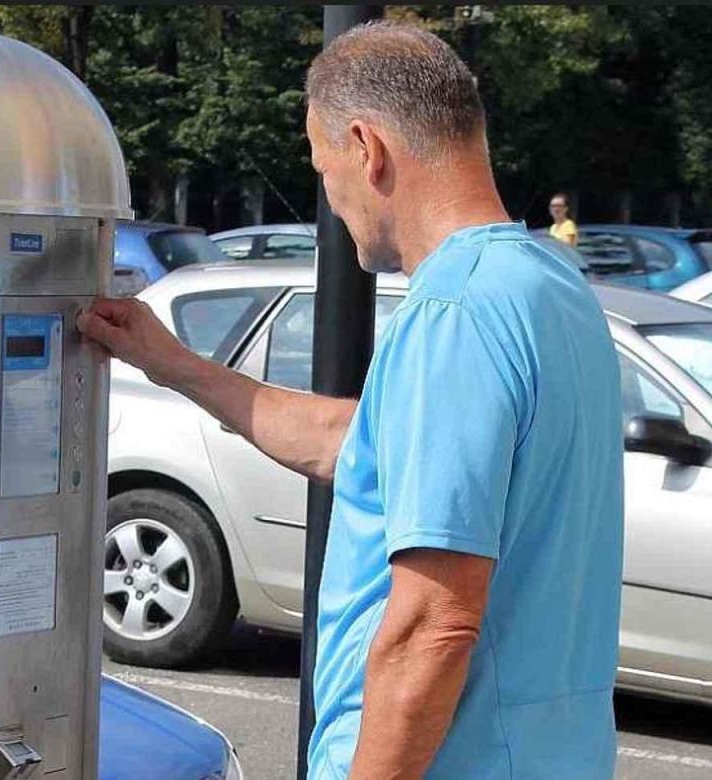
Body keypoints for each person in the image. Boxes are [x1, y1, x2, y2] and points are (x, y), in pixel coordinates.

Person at [78, 21, 623, 780]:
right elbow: (361, 443)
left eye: (322, 167)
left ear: (368, 150)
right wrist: (170, 363)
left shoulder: (453, 315)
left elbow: (435, 623)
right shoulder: (549, 284)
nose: (330, 199)